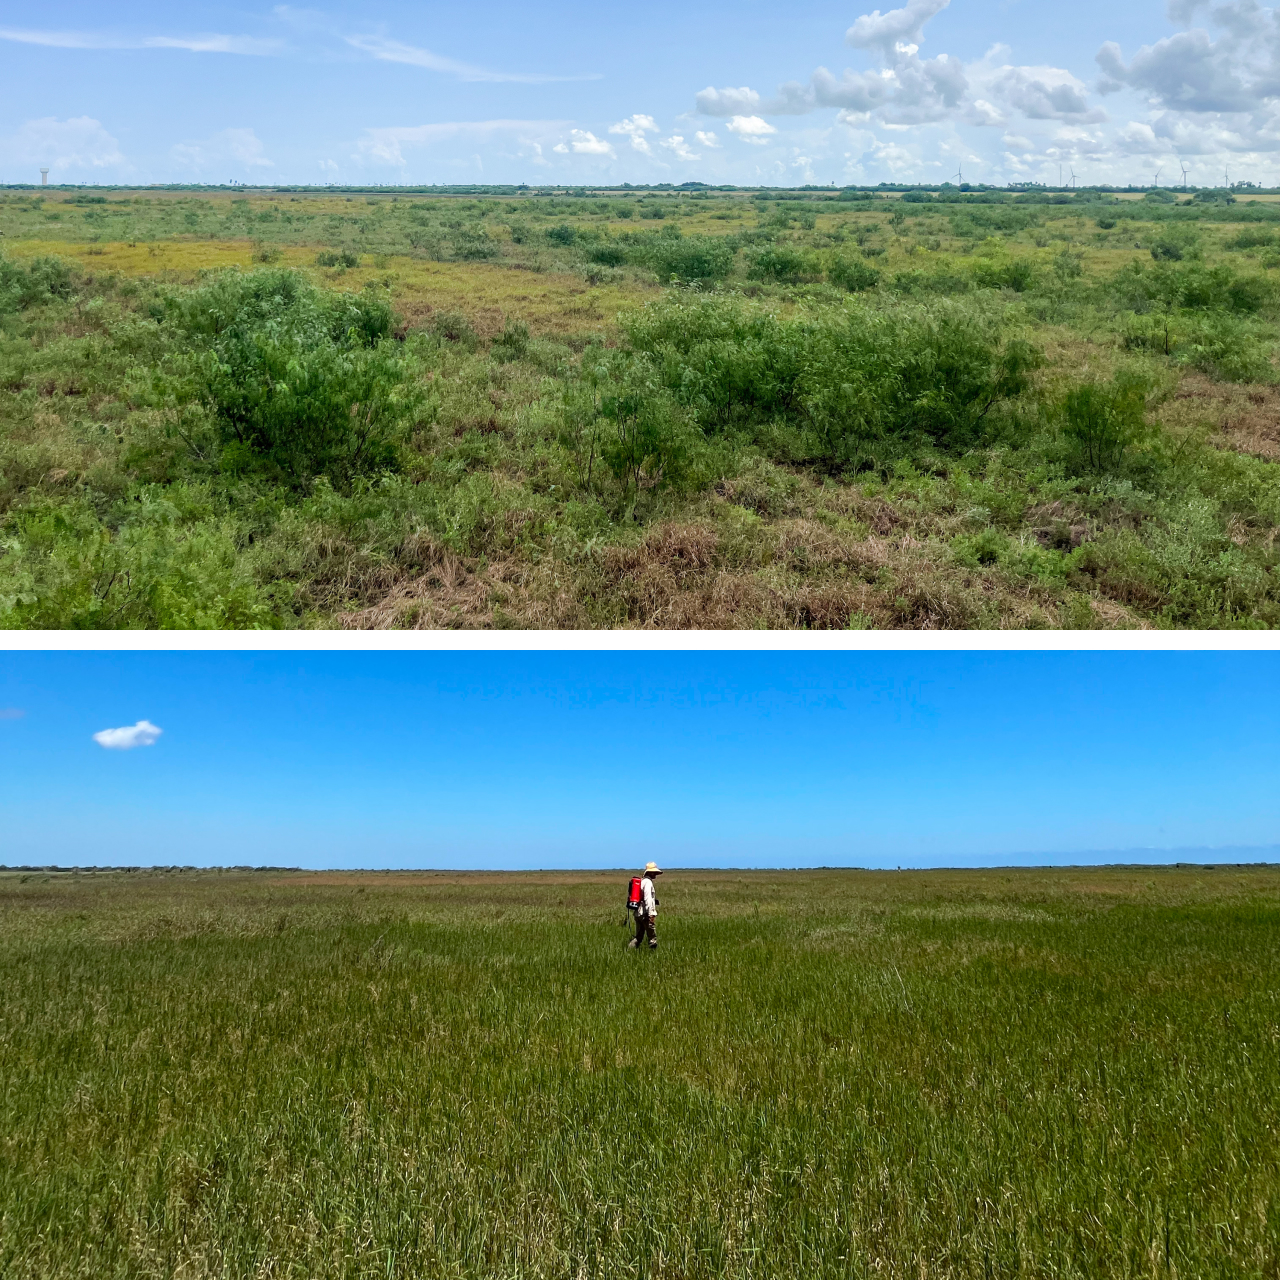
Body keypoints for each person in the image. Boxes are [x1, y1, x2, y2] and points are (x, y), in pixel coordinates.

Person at [629, 862, 662, 950]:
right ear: (651, 872)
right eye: (654, 873)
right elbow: (647, 898)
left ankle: (629, 951)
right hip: (645, 913)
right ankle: (653, 954)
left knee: (639, 937)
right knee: (652, 939)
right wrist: (650, 914)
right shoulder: (648, 882)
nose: (656, 874)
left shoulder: (642, 881)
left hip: (638, 913)